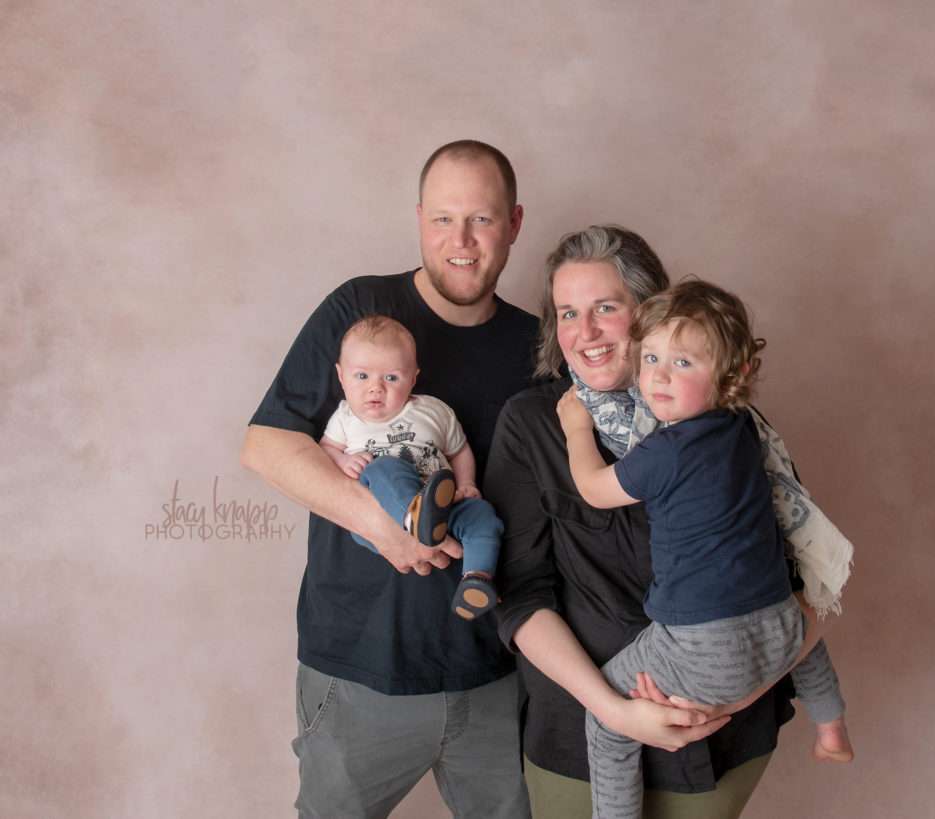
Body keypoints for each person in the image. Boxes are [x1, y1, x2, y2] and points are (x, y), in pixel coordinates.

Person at [485, 225, 831, 819]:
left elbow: (809, 582)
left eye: (605, 308)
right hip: (580, 740)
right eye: (567, 313)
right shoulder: (533, 423)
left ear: (651, 313)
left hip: (722, 735)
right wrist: (615, 711)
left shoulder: (728, 421)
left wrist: (727, 696)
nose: (585, 332)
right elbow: (518, 595)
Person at [241, 140, 535, 818]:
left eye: (482, 219)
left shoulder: (538, 346)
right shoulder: (361, 309)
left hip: (495, 674)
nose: (461, 241)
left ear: (514, 223)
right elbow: (266, 443)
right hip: (358, 669)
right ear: (419, 218)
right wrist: (380, 523)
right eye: (444, 219)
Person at [556, 279, 853, 819]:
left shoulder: (666, 449)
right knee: (799, 626)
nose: (659, 376)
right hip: (779, 626)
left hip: (701, 647)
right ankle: (831, 726)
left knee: (607, 715)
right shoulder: (742, 428)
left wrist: (577, 428)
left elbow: (596, 490)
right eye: (650, 358)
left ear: (731, 375)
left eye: (683, 363)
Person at [320, 313, 504, 619]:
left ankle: (477, 579)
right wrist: (344, 459)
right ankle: (414, 514)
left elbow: (459, 452)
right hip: (381, 516)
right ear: (341, 375)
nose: (375, 388)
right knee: (383, 468)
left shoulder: (433, 411)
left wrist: (466, 484)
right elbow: (325, 449)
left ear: (413, 378)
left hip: (445, 506)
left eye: (391, 378)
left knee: (482, 516)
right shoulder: (345, 418)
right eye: (362, 376)